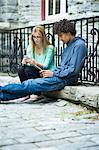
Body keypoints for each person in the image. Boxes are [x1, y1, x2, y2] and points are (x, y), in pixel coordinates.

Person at [0, 19, 87, 101]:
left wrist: (53, 73)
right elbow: (62, 67)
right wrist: (48, 73)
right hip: (57, 76)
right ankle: (2, 96)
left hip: (64, 80)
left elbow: (73, 70)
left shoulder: (79, 45)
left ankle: (1, 89)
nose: (60, 39)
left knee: (30, 85)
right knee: (29, 86)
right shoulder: (69, 45)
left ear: (68, 33)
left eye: (61, 35)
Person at [17, 25, 55, 100]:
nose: (36, 39)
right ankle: (26, 93)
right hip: (34, 69)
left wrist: (35, 63)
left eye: (38, 37)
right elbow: (29, 63)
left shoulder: (49, 48)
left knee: (28, 70)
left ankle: (37, 93)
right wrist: (25, 62)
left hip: (45, 72)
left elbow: (46, 66)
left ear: (43, 37)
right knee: (21, 69)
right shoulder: (30, 47)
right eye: (34, 37)